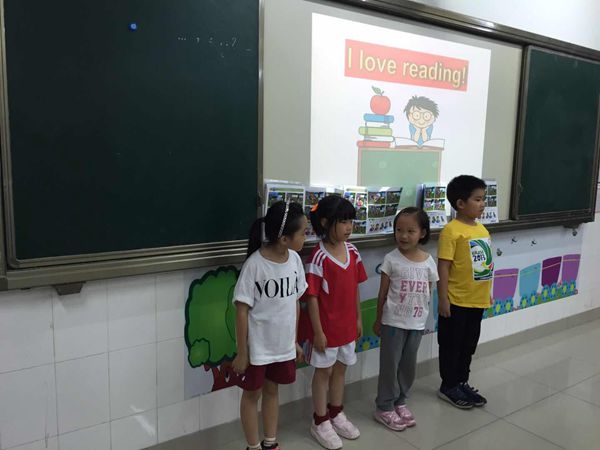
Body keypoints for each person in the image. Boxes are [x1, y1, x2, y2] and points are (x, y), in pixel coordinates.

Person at [231, 201, 308, 450]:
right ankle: (253, 446)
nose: (306, 238)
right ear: (284, 239)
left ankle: (270, 443)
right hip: (258, 349)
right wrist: (242, 352)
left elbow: (295, 302)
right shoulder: (255, 265)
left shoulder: (295, 260)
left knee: (272, 391)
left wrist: (294, 341)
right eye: (303, 233)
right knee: (252, 394)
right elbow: (241, 311)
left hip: (282, 345)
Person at [301, 195, 368, 450]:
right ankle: (320, 421)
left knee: (341, 369)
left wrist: (358, 318)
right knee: (324, 373)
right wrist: (318, 332)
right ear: (326, 222)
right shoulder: (318, 257)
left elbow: (355, 288)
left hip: (347, 327)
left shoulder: (353, 252)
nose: (349, 227)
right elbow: (312, 298)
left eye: (351, 221)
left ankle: (336, 412)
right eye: (343, 222)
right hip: (326, 331)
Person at [372, 207, 438, 430]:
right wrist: (378, 319)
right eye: (399, 230)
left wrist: (424, 318)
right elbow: (382, 293)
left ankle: (400, 401)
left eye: (410, 231)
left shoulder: (428, 261)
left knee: (408, 365)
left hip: (416, 323)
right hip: (392, 322)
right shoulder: (391, 259)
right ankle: (384, 406)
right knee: (390, 365)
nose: (403, 235)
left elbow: (428, 292)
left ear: (422, 233)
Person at [437, 175, 494, 409]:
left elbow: (484, 266)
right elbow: (443, 266)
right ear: (460, 203)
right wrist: (443, 299)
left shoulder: (482, 229)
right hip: (456, 301)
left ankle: (462, 381)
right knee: (452, 345)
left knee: (468, 345)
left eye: (483, 199)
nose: (482, 204)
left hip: (477, 300)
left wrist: (487, 292)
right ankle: (448, 385)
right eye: (477, 199)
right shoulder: (451, 231)